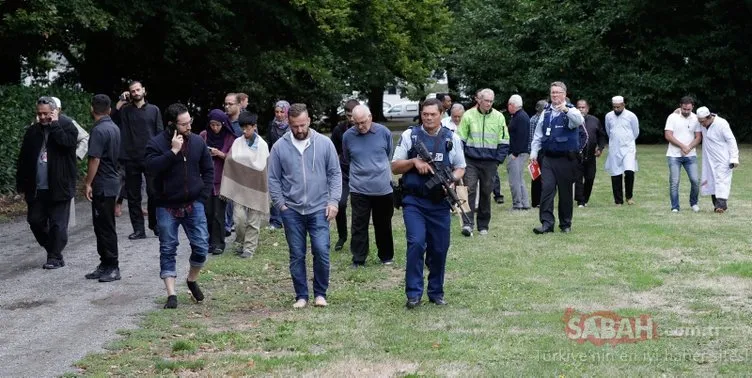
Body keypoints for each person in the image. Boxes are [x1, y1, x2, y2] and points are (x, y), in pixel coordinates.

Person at [392, 98, 466, 308]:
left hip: (440, 202)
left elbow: (460, 167)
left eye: (433, 114)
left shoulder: (451, 138)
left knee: (440, 248)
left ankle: (436, 291)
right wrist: (414, 162)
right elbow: (395, 166)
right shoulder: (410, 135)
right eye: (425, 114)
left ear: (442, 114)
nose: (429, 118)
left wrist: (450, 179)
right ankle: (414, 294)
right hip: (414, 200)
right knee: (416, 243)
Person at [268, 103, 341, 308]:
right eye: (294, 126)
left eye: (302, 125)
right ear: (288, 124)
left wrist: (333, 201)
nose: (299, 130)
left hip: (319, 207)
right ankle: (301, 295)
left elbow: (335, 174)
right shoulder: (280, 147)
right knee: (297, 253)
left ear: (309, 120)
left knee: (321, 251)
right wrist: (280, 205)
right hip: (291, 210)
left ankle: (320, 293)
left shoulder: (325, 144)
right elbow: (273, 178)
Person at [145, 103, 213, 309]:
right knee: (168, 247)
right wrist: (172, 152)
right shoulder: (156, 144)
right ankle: (171, 294)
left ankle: (191, 280)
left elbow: (208, 170)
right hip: (166, 205)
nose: (188, 127)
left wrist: (202, 196)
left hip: (194, 203)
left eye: (189, 122)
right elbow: (149, 168)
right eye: (183, 124)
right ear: (171, 125)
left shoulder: (198, 142)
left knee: (201, 246)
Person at [16, 96, 78, 269]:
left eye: (46, 114)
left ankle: (55, 257)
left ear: (55, 112)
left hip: (59, 186)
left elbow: (68, 144)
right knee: (35, 221)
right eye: (39, 114)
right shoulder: (33, 131)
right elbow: (24, 158)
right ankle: (52, 248)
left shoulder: (67, 126)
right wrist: (22, 183)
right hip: (37, 188)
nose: (42, 117)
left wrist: (55, 125)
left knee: (58, 224)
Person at [342, 105, 394, 267]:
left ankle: (386, 256)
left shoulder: (384, 132)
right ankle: (358, 258)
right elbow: (347, 157)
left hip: (383, 188)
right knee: (358, 224)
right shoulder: (347, 136)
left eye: (363, 122)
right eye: (356, 123)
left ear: (370, 117)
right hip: (359, 188)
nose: (360, 126)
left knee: (383, 223)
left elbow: (389, 154)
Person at [529, 81, 584, 234]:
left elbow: (580, 121)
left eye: (558, 92)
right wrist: (533, 153)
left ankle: (565, 224)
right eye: (552, 92)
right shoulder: (545, 113)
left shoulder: (571, 111)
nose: (555, 95)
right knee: (546, 190)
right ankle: (546, 224)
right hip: (548, 159)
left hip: (566, 159)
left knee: (565, 193)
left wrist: (566, 109)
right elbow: (538, 135)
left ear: (564, 95)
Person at [112, 80, 163, 239]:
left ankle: (154, 224)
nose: (135, 93)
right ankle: (139, 229)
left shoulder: (154, 110)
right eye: (132, 91)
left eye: (137, 90)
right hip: (130, 157)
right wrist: (121, 100)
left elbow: (160, 132)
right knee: (133, 196)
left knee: (154, 192)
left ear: (144, 90)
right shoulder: (125, 110)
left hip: (150, 156)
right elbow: (112, 117)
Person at [457, 88, 509, 236]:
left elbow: (504, 140)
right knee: (470, 190)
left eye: (491, 101)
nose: (489, 103)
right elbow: (460, 139)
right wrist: (461, 160)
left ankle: (483, 225)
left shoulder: (499, 117)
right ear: (478, 100)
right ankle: (468, 224)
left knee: (487, 192)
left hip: (490, 161)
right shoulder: (468, 115)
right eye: (486, 100)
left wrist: (498, 160)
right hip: (471, 160)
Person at [83, 94, 122, 282]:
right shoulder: (114, 127)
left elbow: (95, 158)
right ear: (109, 109)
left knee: (105, 226)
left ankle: (113, 266)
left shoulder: (98, 131)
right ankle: (105, 263)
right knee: (102, 226)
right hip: (112, 181)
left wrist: (88, 182)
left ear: (92, 109)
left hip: (103, 184)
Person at [221, 112, 270, 258]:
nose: (244, 131)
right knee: (239, 220)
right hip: (239, 187)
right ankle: (241, 241)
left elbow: (263, 166)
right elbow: (230, 161)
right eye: (242, 128)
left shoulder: (262, 145)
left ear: (254, 127)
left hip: (256, 187)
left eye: (247, 128)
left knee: (254, 221)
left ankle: (249, 248)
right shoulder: (237, 142)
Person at [199, 109, 235, 254]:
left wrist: (220, 154)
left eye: (218, 125)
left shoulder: (230, 137)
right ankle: (209, 241)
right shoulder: (204, 135)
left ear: (223, 124)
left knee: (218, 213)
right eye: (212, 125)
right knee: (207, 212)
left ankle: (219, 243)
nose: (215, 128)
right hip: (206, 179)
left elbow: (234, 159)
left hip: (223, 180)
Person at [329, 99, 360, 251]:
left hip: (361, 172)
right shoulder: (339, 130)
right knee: (340, 203)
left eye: (353, 115)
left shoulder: (365, 128)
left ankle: (358, 238)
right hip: (343, 172)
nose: (351, 119)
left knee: (359, 206)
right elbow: (332, 152)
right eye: (348, 116)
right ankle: (342, 235)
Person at [697, 107, 739, 213]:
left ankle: (721, 206)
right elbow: (689, 115)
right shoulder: (702, 122)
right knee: (711, 181)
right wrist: (677, 111)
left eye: (703, 122)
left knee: (722, 181)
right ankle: (717, 206)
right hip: (709, 158)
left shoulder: (721, 123)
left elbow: (731, 140)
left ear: (709, 117)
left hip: (723, 158)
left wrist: (734, 158)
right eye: (700, 121)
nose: (701, 124)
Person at [665, 97, 702, 212]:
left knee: (695, 180)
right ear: (680, 106)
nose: (686, 111)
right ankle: (675, 206)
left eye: (688, 109)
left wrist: (689, 148)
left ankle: (694, 203)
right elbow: (668, 135)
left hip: (690, 155)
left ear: (692, 107)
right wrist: (683, 146)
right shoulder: (672, 117)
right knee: (674, 182)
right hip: (674, 155)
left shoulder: (696, 118)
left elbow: (698, 137)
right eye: (684, 109)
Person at [604, 95, 639, 206]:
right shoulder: (608, 116)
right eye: (614, 107)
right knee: (615, 174)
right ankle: (618, 200)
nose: (616, 109)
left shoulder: (631, 116)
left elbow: (635, 132)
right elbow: (608, 131)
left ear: (623, 105)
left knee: (629, 171)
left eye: (618, 107)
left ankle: (629, 196)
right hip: (614, 148)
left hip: (628, 148)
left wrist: (627, 141)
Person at [574, 99, 607, 207]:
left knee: (590, 178)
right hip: (576, 155)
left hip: (590, 155)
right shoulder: (573, 120)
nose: (581, 109)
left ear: (587, 108)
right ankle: (580, 201)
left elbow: (601, 135)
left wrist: (600, 148)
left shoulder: (594, 120)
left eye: (583, 107)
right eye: (579, 107)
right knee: (578, 179)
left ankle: (585, 199)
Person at [266, 100, 291, 230]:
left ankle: (287, 217)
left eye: (282, 112)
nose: (279, 114)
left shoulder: (292, 126)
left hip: (289, 160)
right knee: (275, 188)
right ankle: (275, 220)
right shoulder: (272, 126)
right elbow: (269, 144)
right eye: (277, 112)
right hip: (275, 159)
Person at [506, 94, 531, 210]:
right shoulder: (521, 116)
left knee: (514, 180)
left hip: (518, 153)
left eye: (509, 104)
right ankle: (525, 203)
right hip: (521, 152)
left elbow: (521, 137)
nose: (508, 107)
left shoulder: (520, 117)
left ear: (512, 105)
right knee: (520, 179)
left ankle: (517, 204)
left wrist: (515, 153)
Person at [529, 100, 547, 208]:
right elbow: (533, 138)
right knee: (536, 176)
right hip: (537, 151)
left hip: (541, 151)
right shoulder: (534, 120)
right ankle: (536, 201)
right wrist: (533, 152)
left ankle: (540, 200)